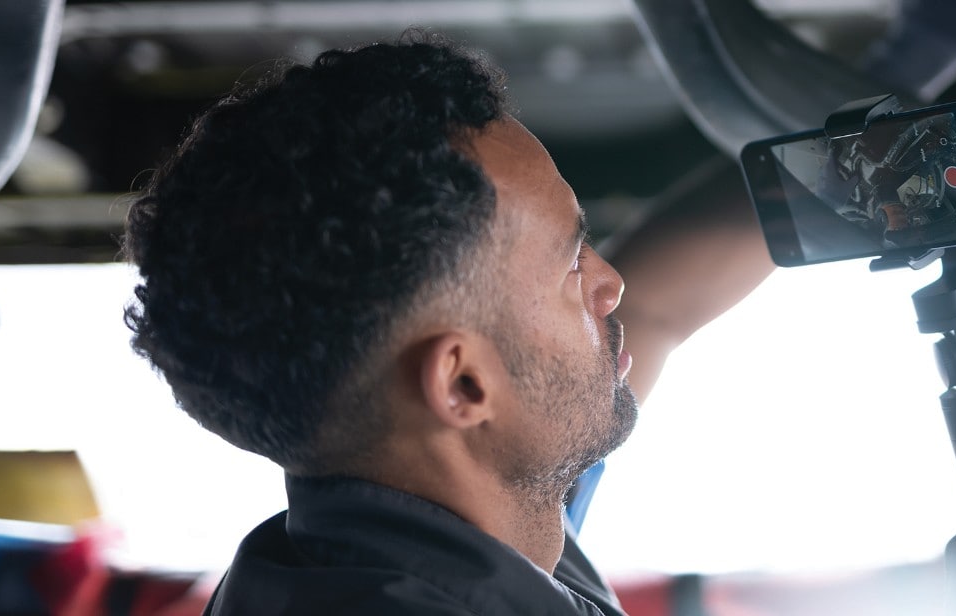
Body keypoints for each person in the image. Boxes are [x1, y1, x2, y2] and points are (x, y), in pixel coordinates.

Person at [121, 34, 713, 614]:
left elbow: (656, 312)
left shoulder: (395, 536)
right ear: (462, 385)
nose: (612, 284)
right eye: (572, 264)